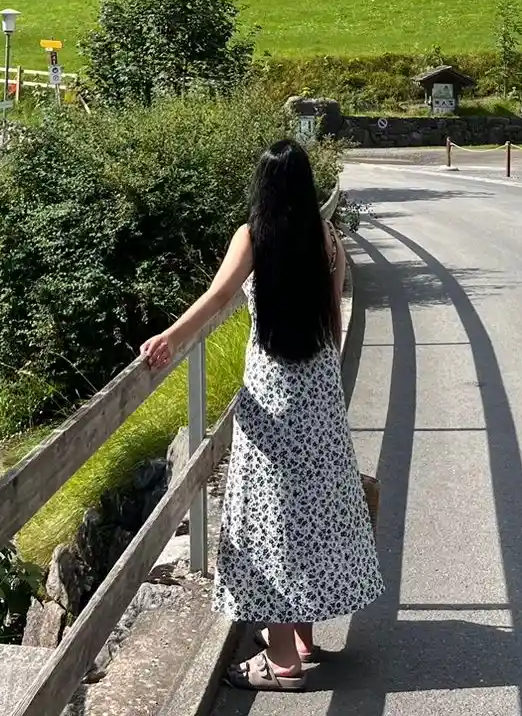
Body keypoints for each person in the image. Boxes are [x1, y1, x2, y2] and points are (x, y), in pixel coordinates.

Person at [141, 139, 382, 692]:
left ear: (264, 187)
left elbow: (217, 297)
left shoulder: (253, 236)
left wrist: (169, 338)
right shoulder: (327, 238)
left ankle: (282, 662)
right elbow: (333, 316)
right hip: (319, 391)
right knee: (315, 508)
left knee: (272, 517)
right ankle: (303, 637)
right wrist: (327, 385)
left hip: (273, 394)